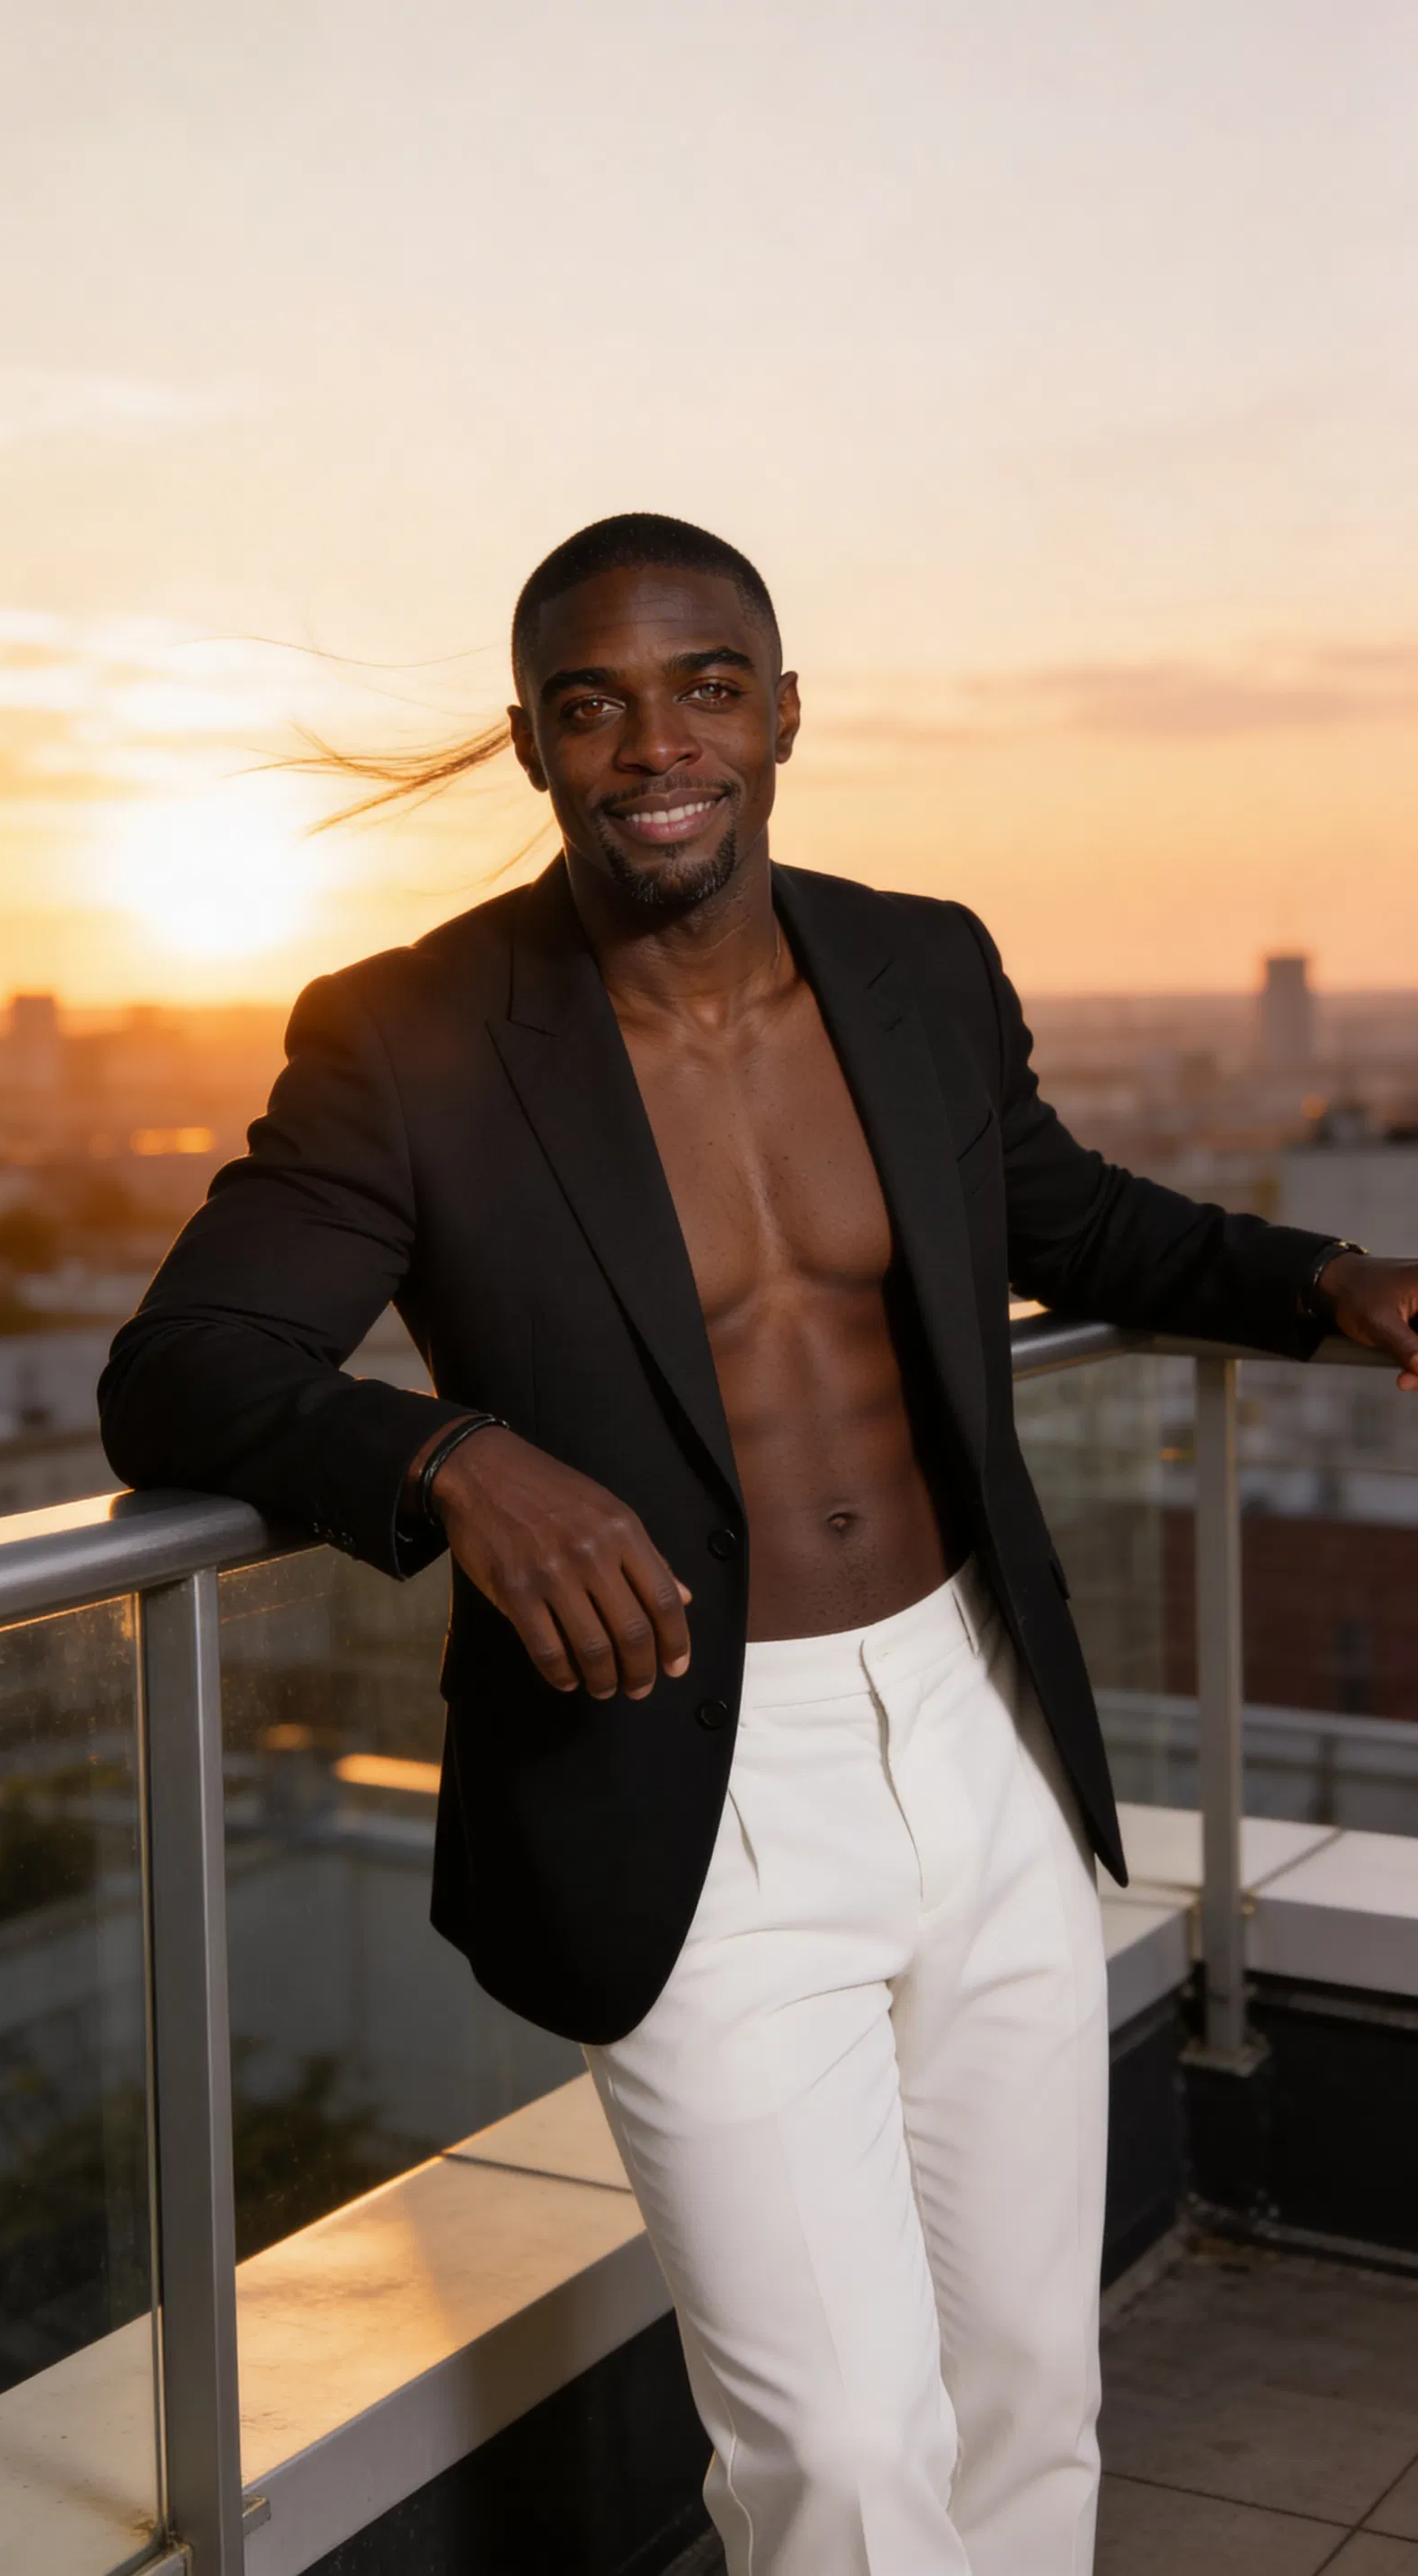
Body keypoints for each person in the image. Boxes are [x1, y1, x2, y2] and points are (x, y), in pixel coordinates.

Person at [99, 514, 1418, 2575]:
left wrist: (1328, 1275)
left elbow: (1065, 1223)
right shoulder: (409, 1034)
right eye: (592, 703)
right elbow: (185, 1363)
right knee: (842, 2461)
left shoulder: (916, 964)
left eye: (703, 684)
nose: (654, 743)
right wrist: (448, 1454)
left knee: (1022, 2400)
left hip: (973, 1715)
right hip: (682, 1774)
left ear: (783, 710)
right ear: (527, 744)